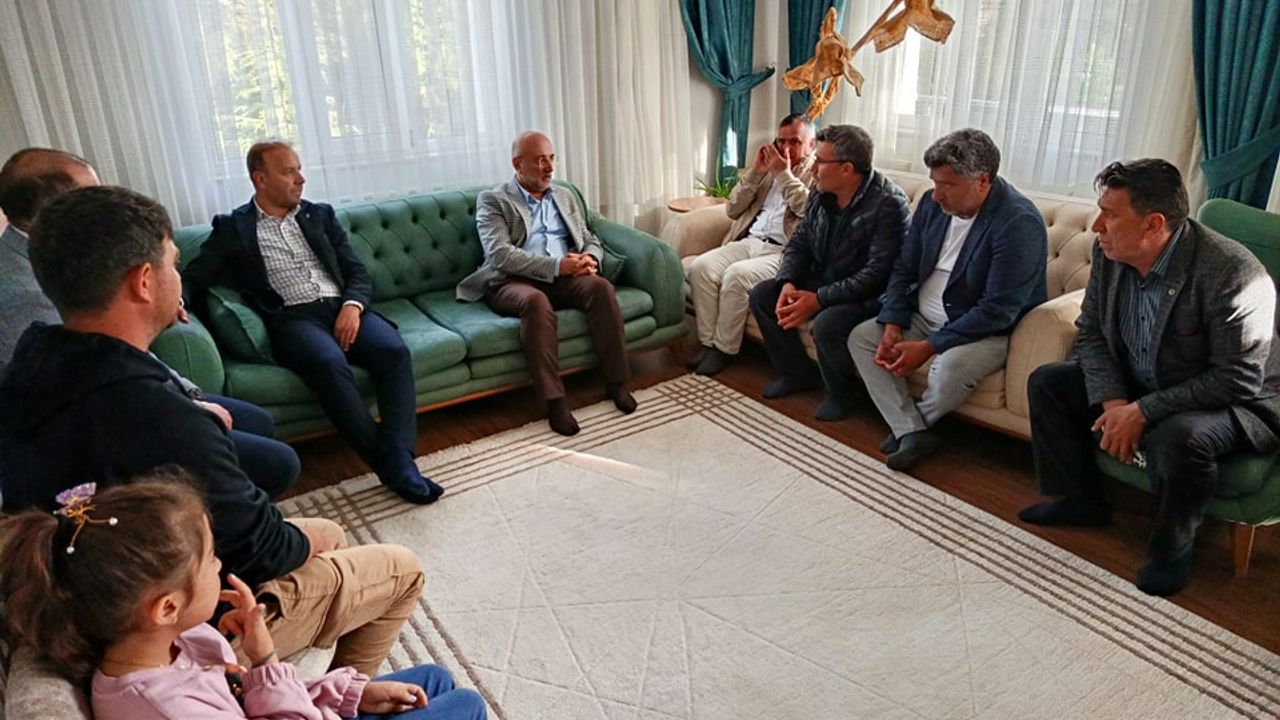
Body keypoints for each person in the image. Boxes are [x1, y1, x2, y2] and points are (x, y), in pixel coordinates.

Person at [0, 185, 424, 673]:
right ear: (144, 282)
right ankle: (326, 694)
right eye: (173, 264)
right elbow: (265, 548)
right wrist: (317, 538)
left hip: (94, 601)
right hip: (169, 638)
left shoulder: (31, 364)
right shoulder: (158, 417)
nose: (178, 278)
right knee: (386, 561)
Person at [0, 475, 487, 719]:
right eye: (211, 559)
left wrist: (348, 694)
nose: (221, 567)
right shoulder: (166, 708)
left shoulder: (179, 642)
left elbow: (246, 699)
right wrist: (266, 658)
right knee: (464, 703)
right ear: (165, 607)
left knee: (434, 679)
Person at [1018, 159, 1280, 597]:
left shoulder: (1232, 274)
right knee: (1049, 383)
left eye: (1110, 214)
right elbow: (1092, 333)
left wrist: (1143, 410)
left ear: (1153, 224)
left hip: (1235, 398)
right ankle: (1081, 502)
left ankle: (1172, 552)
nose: (1097, 225)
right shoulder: (1110, 253)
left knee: (1181, 437)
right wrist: (1115, 403)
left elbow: (1237, 379)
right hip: (1147, 375)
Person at [0, 147, 299, 499]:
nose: (107, 203)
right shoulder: (21, 293)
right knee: (279, 464)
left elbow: (116, 348)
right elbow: (98, 381)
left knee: (258, 422)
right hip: (105, 432)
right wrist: (190, 409)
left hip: (124, 394)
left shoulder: (52, 255)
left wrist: (162, 305)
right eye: (93, 194)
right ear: (59, 210)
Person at [183, 141, 441, 505]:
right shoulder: (233, 227)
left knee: (393, 351)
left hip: (342, 307)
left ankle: (400, 459)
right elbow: (196, 276)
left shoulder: (320, 215)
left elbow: (356, 271)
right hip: (293, 319)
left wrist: (352, 306)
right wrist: (178, 301)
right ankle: (392, 467)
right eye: (289, 172)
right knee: (328, 363)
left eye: (299, 169)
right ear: (260, 178)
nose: (301, 179)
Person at [849, 128, 1047, 469]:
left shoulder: (1018, 223)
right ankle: (912, 431)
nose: (937, 195)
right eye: (934, 182)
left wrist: (930, 347)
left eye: (948, 185)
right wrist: (893, 321)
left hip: (982, 329)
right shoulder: (931, 204)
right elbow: (905, 267)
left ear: (982, 181)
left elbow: (997, 310)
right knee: (863, 338)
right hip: (922, 316)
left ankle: (909, 428)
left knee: (950, 371)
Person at [457, 131, 636, 436]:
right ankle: (555, 402)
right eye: (541, 160)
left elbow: (590, 237)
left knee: (600, 288)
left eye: (552, 158)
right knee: (536, 302)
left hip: (564, 276)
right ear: (518, 164)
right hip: (511, 281)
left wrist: (589, 258)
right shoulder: (494, 200)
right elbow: (500, 254)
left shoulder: (563, 196)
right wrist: (557, 266)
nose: (549, 167)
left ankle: (617, 382)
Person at [747, 124, 910, 421]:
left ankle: (842, 393)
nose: (814, 168)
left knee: (827, 323)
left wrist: (819, 299)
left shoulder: (889, 204)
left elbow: (877, 274)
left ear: (847, 169)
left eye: (821, 161)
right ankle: (797, 374)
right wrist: (788, 282)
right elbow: (799, 243)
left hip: (870, 294)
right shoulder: (820, 191)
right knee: (763, 295)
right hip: (826, 277)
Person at [687, 114, 817, 376]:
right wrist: (756, 173)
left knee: (737, 275)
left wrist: (784, 175)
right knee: (701, 267)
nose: (786, 148)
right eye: (781, 141)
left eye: (795, 142)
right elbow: (733, 209)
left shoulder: (818, 172)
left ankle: (724, 350)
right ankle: (709, 343)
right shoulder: (767, 168)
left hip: (784, 252)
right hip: (749, 241)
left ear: (811, 144)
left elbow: (810, 210)